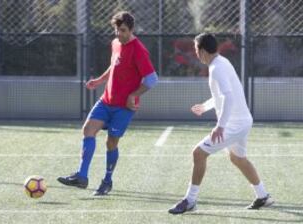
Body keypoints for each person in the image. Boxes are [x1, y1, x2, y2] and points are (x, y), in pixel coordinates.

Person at [168, 33, 274, 214]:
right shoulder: (221, 63)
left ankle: (190, 200)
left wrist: (221, 126)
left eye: (195, 50)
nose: (195, 54)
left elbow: (229, 97)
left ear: (202, 50)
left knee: (198, 153)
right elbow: (222, 95)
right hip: (242, 122)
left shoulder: (217, 67)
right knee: (237, 158)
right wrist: (205, 106)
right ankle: (263, 195)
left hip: (235, 124)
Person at [57, 11, 158, 196]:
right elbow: (114, 65)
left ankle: (107, 181)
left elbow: (152, 79)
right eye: (117, 30)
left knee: (111, 143)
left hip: (123, 108)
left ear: (132, 29)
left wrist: (133, 95)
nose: (119, 34)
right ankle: (82, 176)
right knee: (88, 130)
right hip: (106, 100)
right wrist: (100, 81)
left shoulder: (139, 50)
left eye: (123, 30)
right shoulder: (115, 43)